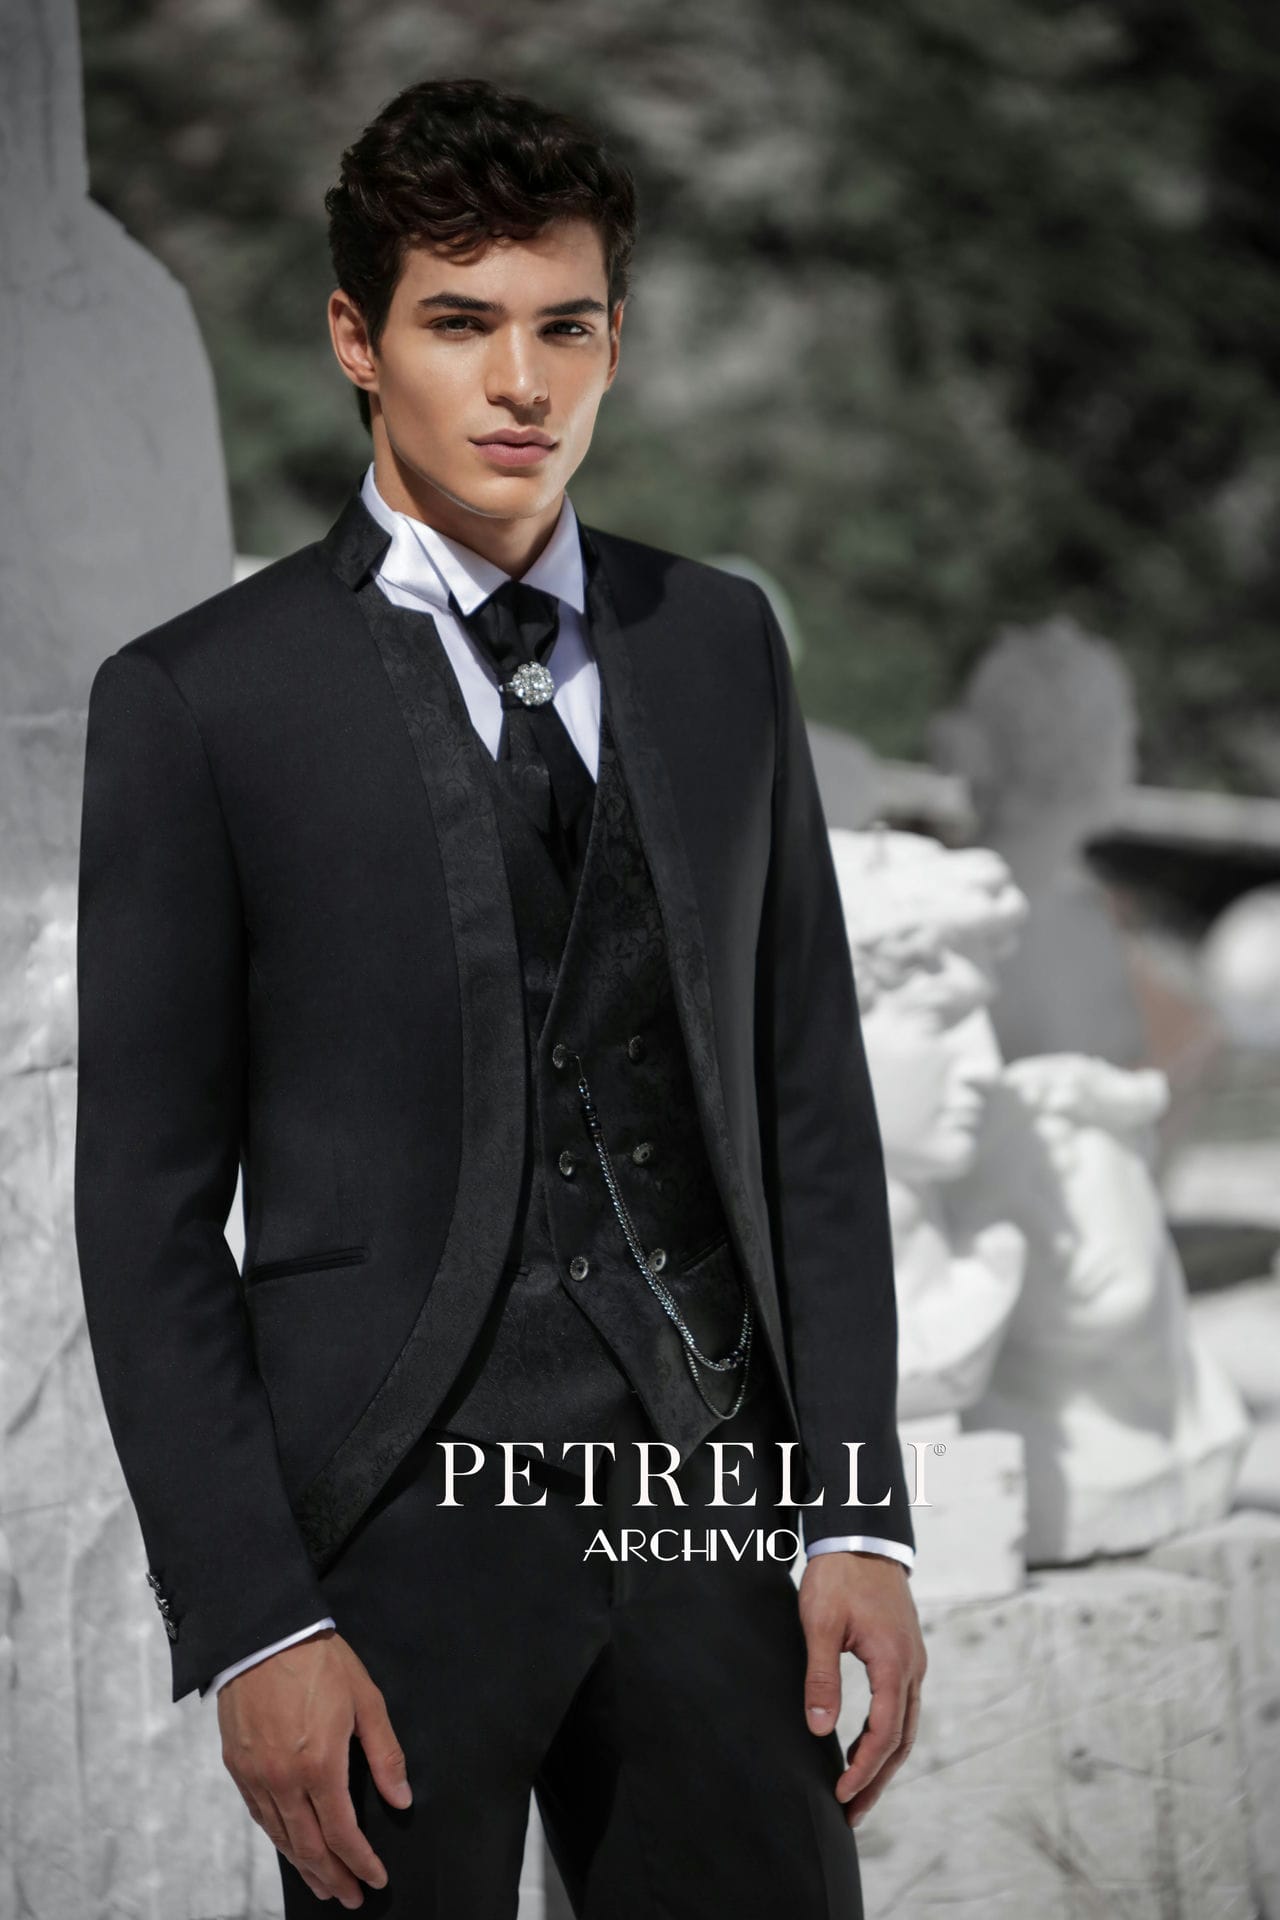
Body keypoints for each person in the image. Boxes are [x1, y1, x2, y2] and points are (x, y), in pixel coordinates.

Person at [74, 74, 926, 1919]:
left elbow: (810, 1104)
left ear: (618, 340)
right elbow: (143, 1214)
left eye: (568, 327)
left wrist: (859, 1510)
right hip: (385, 1531)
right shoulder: (201, 698)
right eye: (460, 323)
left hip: (708, 1508)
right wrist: (252, 1620)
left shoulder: (719, 641)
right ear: (355, 341)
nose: (522, 383)